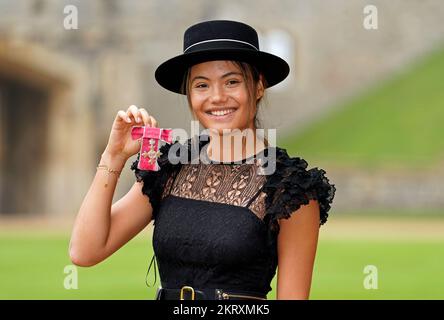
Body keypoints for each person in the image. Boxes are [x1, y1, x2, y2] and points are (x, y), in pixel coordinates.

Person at [69, 20, 336, 300]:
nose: (217, 97)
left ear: (258, 87)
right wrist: (114, 155)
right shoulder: (171, 166)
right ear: (190, 94)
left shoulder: (289, 187)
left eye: (232, 82)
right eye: (202, 85)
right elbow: (85, 251)